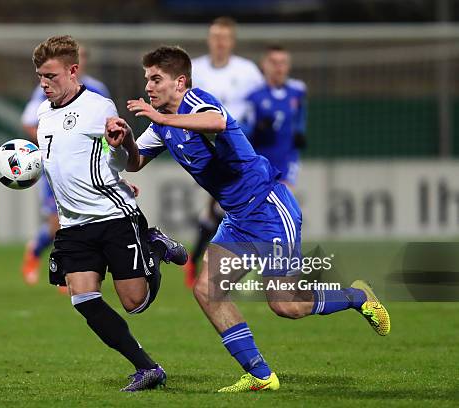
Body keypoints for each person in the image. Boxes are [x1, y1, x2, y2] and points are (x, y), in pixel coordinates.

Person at [105, 45, 390, 393]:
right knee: (208, 291)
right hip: (239, 217)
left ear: (180, 82)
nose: (148, 86)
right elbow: (135, 163)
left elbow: (217, 121)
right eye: (147, 79)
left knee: (285, 305)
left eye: (156, 79)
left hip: (269, 208)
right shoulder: (163, 124)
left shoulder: (195, 102)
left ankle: (356, 297)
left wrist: (161, 118)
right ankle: (260, 374)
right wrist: (127, 141)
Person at [31, 36, 187, 392]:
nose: (44, 83)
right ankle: (148, 368)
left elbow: (123, 161)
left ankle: (154, 248)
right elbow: (63, 163)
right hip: (72, 225)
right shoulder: (42, 113)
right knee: (84, 299)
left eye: (51, 76)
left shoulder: (98, 107)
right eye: (40, 75)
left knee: (135, 303)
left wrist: (124, 143)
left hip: (112, 217)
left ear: (73, 70)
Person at [21, 44, 111, 286]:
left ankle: (73, 272)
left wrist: (105, 159)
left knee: (86, 223)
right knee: (57, 225)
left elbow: (106, 130)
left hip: (87, 170)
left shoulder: (98, 90)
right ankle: (36, 253)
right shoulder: (45, 91)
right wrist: (53, 144)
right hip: (57, 169)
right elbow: (29, 122)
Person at [185, 16, 265, 287]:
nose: (219, 42)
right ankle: (209, 264)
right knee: (224, 208)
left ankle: (197, 262)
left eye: (224, 37)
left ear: (232, 41)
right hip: (205, 151)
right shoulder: (195, 69)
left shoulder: (248, 71)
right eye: (215, 37)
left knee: (222, 208)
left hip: (239, 151)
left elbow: (259, 107)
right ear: (209, 40)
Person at [246, 45, 307, 188]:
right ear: (264, 65)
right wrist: (257, 130)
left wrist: (300, 133)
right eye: (273, 62)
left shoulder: (297, 92)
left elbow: (300, 117)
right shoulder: (254, 96)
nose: (278, 67)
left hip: (287, 159)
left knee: (284, 200)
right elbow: (245, 129)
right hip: (260, 160)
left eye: (283, 62)